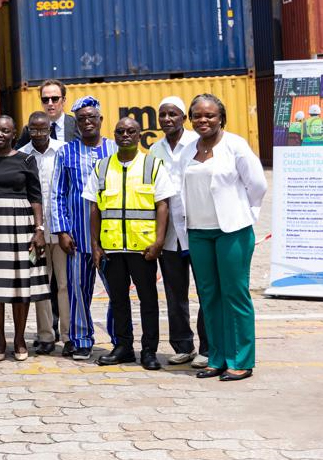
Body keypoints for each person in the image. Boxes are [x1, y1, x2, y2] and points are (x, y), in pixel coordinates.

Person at [177, 94, 267, 382]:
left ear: (221, 118)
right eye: (198, 116)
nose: (203, 120)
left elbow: (257, 185)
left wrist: (245, 214)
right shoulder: (188, 150)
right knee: (209, 296)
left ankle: (241, 360)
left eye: (210, 116)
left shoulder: (235, 145)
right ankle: (216, 358)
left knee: (235, 295)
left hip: (232, 231)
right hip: (199, 232)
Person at [86, 117, 175, 370]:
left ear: (139, 136)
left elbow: (163, 205)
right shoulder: (102, 167)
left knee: (148, 300)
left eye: (131, 131)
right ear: (114, 135)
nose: (125, 135)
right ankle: (123, 347)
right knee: (118, 301)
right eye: (120, 131)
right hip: (112, 247)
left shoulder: (152, 164)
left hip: (143, 248)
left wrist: (158, 241)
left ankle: (149, 350)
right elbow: (94, 208)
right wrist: (95, 245)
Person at [0, 116, 49, 362]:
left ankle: (19, 338)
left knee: (21, 285)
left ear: (14, 134)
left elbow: (36, 196)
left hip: (21, 224)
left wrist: (39, 229)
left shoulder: (26, 160)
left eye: (5, 131)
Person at [50, 97, 117, 362]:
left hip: (110, 237)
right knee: (78, 292)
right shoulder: (66, 152)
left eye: (92, 118)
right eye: (81, 119)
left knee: (117, 291)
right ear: (76, 124)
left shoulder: (114, 148)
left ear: (100, 120)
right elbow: (57, 193)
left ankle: (119, 338)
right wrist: (62, 231)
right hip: (77, 238)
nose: (87, 122)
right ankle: (81, 341)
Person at [150, 96, 209, 368]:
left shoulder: (196, 145)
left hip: (197, 229)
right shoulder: (154, 151)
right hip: (169, 233)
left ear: (183, 118)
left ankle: (207, 348)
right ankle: (183, 345)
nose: (167, 119)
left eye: (172, 114)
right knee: (175, 294)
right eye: (162, 115)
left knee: (206, 291)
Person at [19, 112, 67, 356]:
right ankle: (46, 335)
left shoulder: (63, 150)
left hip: (61, 229)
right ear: (28, 129)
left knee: (64, 284)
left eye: (43, 129)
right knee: (41, 285)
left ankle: (69, 335)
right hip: (34, 230)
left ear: (51, 128)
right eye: (34, 130)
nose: (39, 134)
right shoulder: (22, 155)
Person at [18, 79, 80, 147]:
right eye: (45, 100)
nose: (50, 103)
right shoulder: (30, 130)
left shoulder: (77, 125)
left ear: (63, 100)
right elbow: (18, 154)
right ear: (41, 102)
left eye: (55, 99)